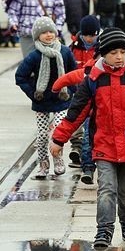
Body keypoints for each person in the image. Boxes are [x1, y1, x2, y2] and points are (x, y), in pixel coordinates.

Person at [51, 28, 125, 249]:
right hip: (103, 145)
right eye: (113, 52)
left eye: (122, 51)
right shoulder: (93, 79)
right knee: (106, 189)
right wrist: (59, 139)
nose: (119, 57)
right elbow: (76, 112)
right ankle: (104, 230)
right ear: (103, 54)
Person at [15, 17, 77, 179]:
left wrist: (71, 91)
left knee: (58, 130)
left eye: (51, 31)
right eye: (43, 33)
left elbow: (74, 73)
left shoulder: (64, 52)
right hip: (42, 102)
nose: (48, 35)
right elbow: (20, 76)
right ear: (37, 36)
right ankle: (43, 163)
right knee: (42, 135)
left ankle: (57, 159)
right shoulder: (34, 56)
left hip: (62, 100)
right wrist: (34, 94)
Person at [3, 0, 67, 57]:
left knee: (46, 65)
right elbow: (13, 10)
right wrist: (14, 24)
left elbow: (60, 13)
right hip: (27, 34)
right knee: (30, 65)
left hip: (47, 35)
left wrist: (57, 29)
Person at [64, 15, 100, 172]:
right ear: (82, 34)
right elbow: (69, 71)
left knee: (90, 124)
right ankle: (76, 148)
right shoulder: (73, 48)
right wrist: (72, 89)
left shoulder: (100, 48)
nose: (90, 39)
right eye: (87, 35)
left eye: (93, 35)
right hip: (76, 92)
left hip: (93, 93)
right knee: (75, 120)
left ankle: (87, 152)